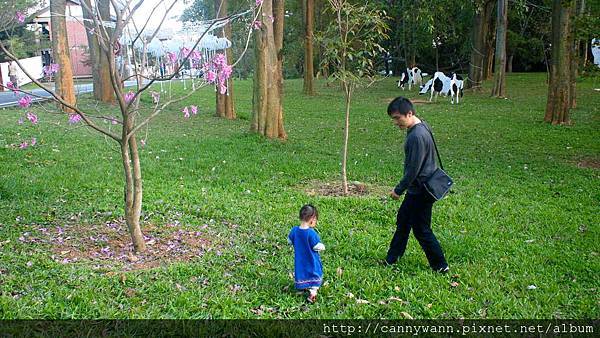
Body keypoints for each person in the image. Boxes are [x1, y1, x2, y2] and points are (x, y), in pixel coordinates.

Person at [385, 97, 449, 273]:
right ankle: (392, 258)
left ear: (410, 113)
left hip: (421, 189)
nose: (396, 122)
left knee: (421, 230)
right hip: (419, 187)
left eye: (398, 118)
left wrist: (398, 190)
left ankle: (441, 265)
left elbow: (413, 170)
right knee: (403, 221)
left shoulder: (416, 136)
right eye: (394, 119)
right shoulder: (421, 126)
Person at [287, 204, 325, 303]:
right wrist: (322, 246)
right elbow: (316, 246)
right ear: (312, 219)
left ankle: (302, 286)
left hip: (300, 259)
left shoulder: (294, 230)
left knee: (301, 271)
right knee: (314, 272)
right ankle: (313, 293)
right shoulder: (311, 233)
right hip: (311, 258)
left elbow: (289, 240)